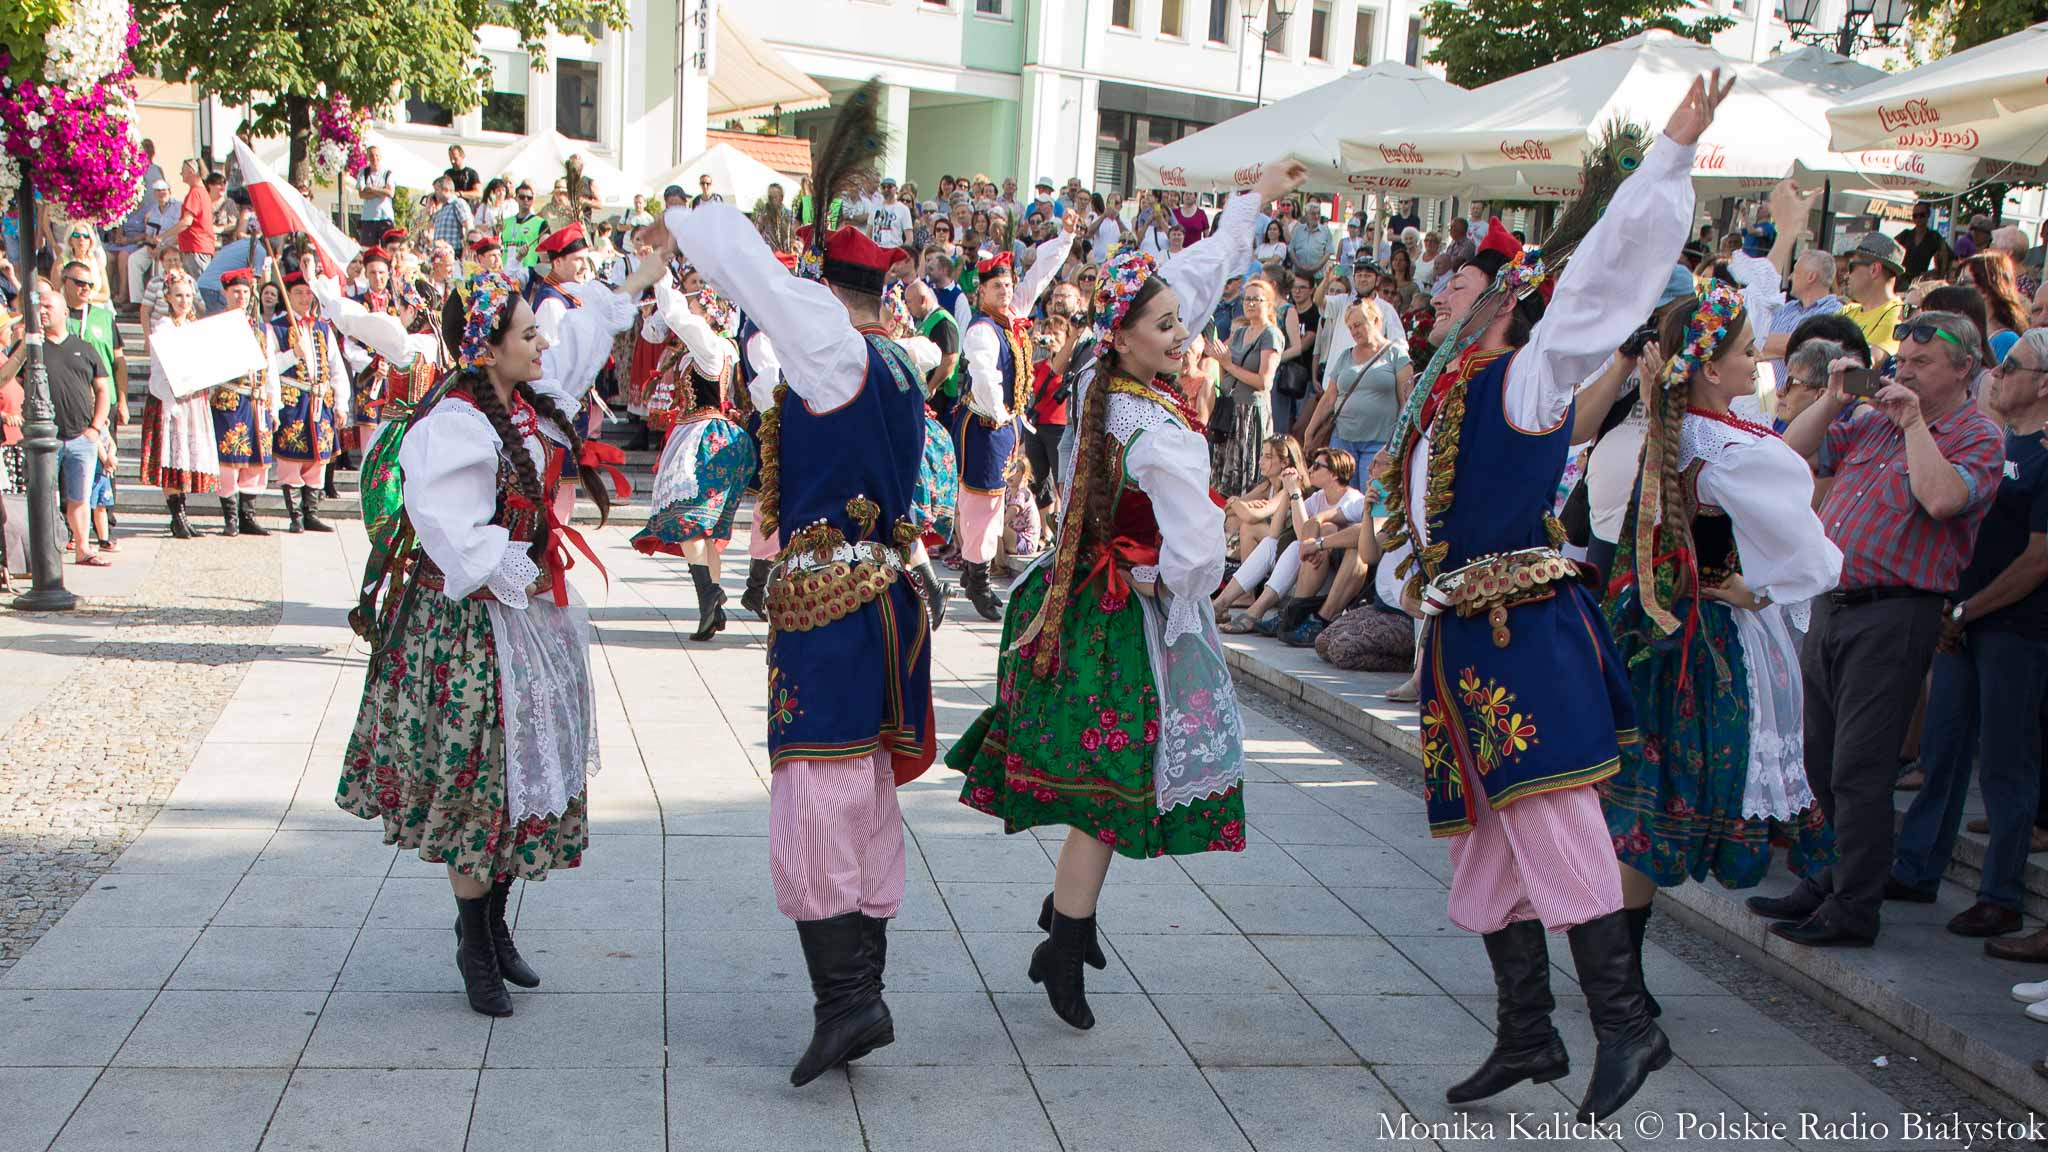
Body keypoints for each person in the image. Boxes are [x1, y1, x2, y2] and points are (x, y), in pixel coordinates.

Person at [1382, 73, 1739, 1123]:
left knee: (1554, 820)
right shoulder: (1440, 397)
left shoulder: (1524, 381)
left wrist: (1666, 157)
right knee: (1491, 841)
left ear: (1499, 303)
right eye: (1445, 283)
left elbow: (1595, 292)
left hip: (1518, 636)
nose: (1441, 292)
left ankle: (1626, 1022)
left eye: (1460, 284)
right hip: (1465, 648)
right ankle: (1527, 1033)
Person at [950, 156, 1305, 1034]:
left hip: (1067, 603)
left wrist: (1251, 203)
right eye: (1166, 328)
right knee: (1108, 797)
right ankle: (1064, 943)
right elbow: (1192, 554)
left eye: (1182, 325)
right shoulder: (1158, 428)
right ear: (1125, 337)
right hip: (1116, 617)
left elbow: (1187, 277)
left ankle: (1063, 931)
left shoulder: (1097, 382)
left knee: (1101, 793)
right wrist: (1171, 590)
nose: (1183, 336)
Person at [665, 83, 939, 1085]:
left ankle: (847, 1000)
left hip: (833, 603)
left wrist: (685, 213)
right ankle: (857, 995)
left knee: (818, 785)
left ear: (826, 290)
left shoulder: (830, 349)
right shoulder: (902, 361)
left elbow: (751, 275)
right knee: (856, 786)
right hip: (879, 594)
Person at [337, 254, 640, 1018]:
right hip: (464, 630)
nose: (542, 345)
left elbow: (576, 349)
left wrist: (640, 276)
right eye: (527, 335)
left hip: (520, 619)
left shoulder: (524, 403)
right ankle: (474, 944)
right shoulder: (454, 426)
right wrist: (520, 569)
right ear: (488, 347)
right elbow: (449, 535)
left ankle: (494, 927)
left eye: (539, 333)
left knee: (517, 781)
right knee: (479, 788)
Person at [1599, 282, 1843, 1011]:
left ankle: (1617, 979)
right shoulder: (1732, 448)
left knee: (1640, 811)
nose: (1755, 364)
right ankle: (1617, 983)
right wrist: (1752, 589)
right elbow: (1813, 561)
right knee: (1661, 808)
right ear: (1709, 368)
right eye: (1744, 353)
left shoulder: (1669, 431)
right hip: (1705, 650)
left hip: (1651, 636)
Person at [1751, 311, 2004, 948]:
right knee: (1820, 757)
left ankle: (1855, 903)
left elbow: (1943, 499)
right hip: (1834, 601)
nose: (1906, 372)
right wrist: (1836, 399)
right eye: (1904, 360)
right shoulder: (1873, 422)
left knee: (1859, 766)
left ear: (1963, 370)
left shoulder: (1974, 434)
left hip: (1896, 611)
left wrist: (1916, 422)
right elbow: (1790, 449)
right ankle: (1832, 876)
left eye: (1922, 364)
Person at [1891, 328, 2048, 940]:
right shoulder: (1998, 441)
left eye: (2011, 366)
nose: (1997, 374)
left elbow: (2038, 559)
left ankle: (2001, 892)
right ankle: (1916, 864)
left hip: (2014, 628)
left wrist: (1969, 609)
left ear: (2042, 383)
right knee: (1942, 751)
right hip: (1964, 619)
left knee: (2007, 765)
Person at [954, 218, 1080, 620]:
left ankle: (976, 569)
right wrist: (1003, 414)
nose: (1007, 291)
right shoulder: (983, 330)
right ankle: (977, 578)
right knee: (983, 503)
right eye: (997, 286)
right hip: (986, 425)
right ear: (982, 291)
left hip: (1005, 425)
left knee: (995, 500)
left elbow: (1041, 275)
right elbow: (984, 375)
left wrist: (1066, 238)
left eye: (1008, 285)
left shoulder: (1014, 314)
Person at [630, 276, 754, 641]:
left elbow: (676, 316)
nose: (690, 307)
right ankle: (709, 607)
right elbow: (656, 328)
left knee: (688, 520)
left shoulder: (709, 346)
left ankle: (709, 595)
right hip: (711, 435)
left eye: (697, 303)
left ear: (709, 312)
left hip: (705, 437)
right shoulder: (716, 348)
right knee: (704, 529)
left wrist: (662, 278)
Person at [139, 269, 222, 538]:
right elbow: (164, 364)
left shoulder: (193, 326)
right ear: (168, 297)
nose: (184, 301)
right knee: (171, 456)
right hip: (170, 396)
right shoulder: (163, 326)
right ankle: (176, 516)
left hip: (192, 395)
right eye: (179, 296)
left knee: (184, 455)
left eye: (188, 295)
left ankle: (183, 515)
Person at [270, 269, 350, 532]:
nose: (304, 298)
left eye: (307, 293)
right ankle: (295, 516)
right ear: (288, 296)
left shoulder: (322, 328)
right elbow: (269, 367)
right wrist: (292, 355)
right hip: (293, 401)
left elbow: (336, 366)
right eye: (298, 293)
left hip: (320, 400)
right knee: (291, 457)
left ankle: (311, 513)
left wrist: (340, 402)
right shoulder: (277, 328)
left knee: (318, 459)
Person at [1305, 297, 1410, 480]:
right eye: (1351, 327)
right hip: (1342, 439)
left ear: (1376, 321)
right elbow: (1330, 398)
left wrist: (1396, 442)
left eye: (1359, 325)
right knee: (1343, 499)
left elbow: (1406, 403)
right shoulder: (1345, 356)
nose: (1354, 331)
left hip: (1380, 442)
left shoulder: (1396, 354)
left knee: (1370, 497)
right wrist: (1310, 430)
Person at [208, 268, 278, 536]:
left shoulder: (261, 327)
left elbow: (270, 366)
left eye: (246, 292)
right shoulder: (216, 325)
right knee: (229, 458)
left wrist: (274, 403)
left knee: (256, 460)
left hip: (257, 400)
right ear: (225, 293)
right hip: (230, 397)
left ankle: (248, 515)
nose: (241, 296)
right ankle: (231, 518)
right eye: (235, 291)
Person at [1212, 278, 1281, 496]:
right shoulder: (1240, 332)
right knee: (1224, 475)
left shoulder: (1270, 334)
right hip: (1231, 409)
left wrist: (1228, 365)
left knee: (1248, 474)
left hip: (1251, 413)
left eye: (1256, 299)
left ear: (1268, 303)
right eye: (1247, 299)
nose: (1250, 303)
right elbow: (1219, 355)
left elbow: (1264, 382)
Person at [1840, 232, 1906, 364]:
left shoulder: (1898, 314)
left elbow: (1867, 360)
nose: (1846, 275)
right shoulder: (1847, 310)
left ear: (1874, 270)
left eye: (1851, 266)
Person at [1959, 253, 2028, 365]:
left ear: (1986, 288)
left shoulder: (2006, 340)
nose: (1956, 288)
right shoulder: (1970, 332)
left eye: (1963, 282)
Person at [160, 159, 216, 278]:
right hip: (199, 247)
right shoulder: (202, 192)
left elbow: (186, 222)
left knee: (198, 288)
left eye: (183, 171)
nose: (181, 174)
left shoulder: (195, 193)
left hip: (195, 248)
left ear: (191, 172)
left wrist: (163, 236)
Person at [500, 183, 549, 269]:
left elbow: (545, 251)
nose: (526, 200)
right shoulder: (506, 222)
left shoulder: (541, 223)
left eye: (529, 198)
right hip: (506, 273)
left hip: (528, 273)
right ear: (516, 198)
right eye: (522, 197)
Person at [1289, 202, 1335, 281]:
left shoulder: (1326, 231)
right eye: (1313, 214)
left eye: (1318, 213)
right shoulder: (1298, 229)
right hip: (1298, 274)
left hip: (1317, 276)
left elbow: (1328, 252)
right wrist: (1299, 266)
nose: (1316, 216)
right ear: (1307, 214)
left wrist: (1315, 268)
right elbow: (1291, 249)